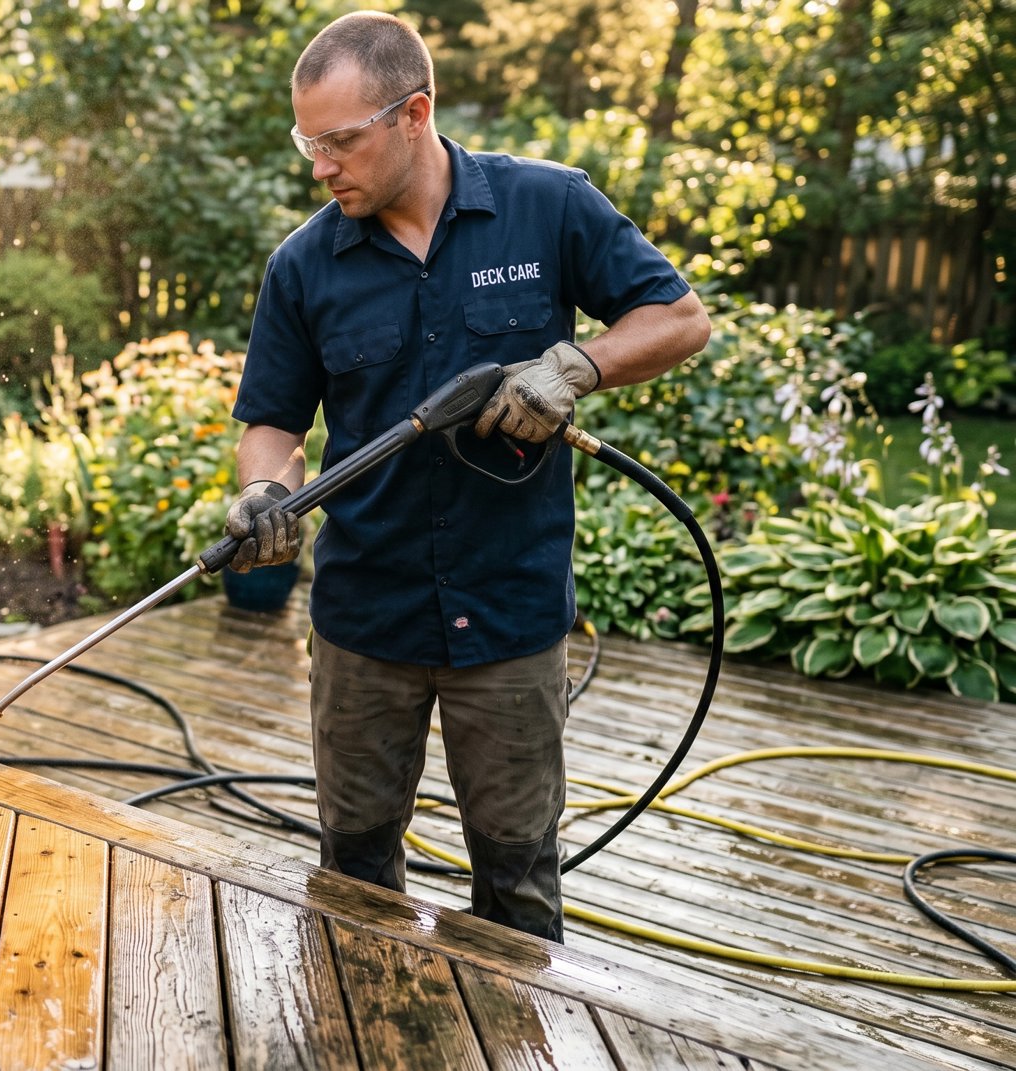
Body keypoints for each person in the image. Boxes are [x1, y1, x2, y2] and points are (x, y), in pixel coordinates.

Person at [224, 10, 711, 942]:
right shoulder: (303, 264)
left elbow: (679, 317)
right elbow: (276, 418)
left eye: (337, 140)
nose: (318, 165)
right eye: (306, 141)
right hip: (366, 618)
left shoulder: (549, 206)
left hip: (511, 613)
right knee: (356, 869)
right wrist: (263, 489)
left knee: (519, 875)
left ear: (414, 113)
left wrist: (576, 366)